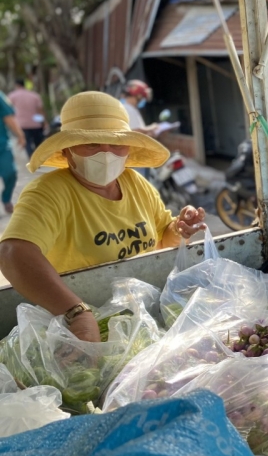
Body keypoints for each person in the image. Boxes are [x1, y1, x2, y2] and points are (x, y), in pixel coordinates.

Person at [0, 91, 207, 343]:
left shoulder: (135, 183)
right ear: (66, 150)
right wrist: (76, 313)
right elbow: (12, 253)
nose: (107, 154)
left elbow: (162, 240)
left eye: (116, 143)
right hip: (79, 333)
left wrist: (179, 228)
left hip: (141, 321)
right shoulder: (48, 192)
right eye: (92, 144)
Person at [0, 90, 26, 214]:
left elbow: (8, 118)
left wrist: (20, 135)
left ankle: (6, 198)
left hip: (2, 145)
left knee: (10, 173)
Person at [8, 79, 46, 157]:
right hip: (36, 124)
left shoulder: (12, 96)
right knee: (38, 144)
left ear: (16, 85)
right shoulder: (34, 95)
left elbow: (8, 111)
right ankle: (40, 159)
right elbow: (40, 110)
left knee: (27, 143)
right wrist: (44, 122)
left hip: (21, 124)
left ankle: (32, 160)